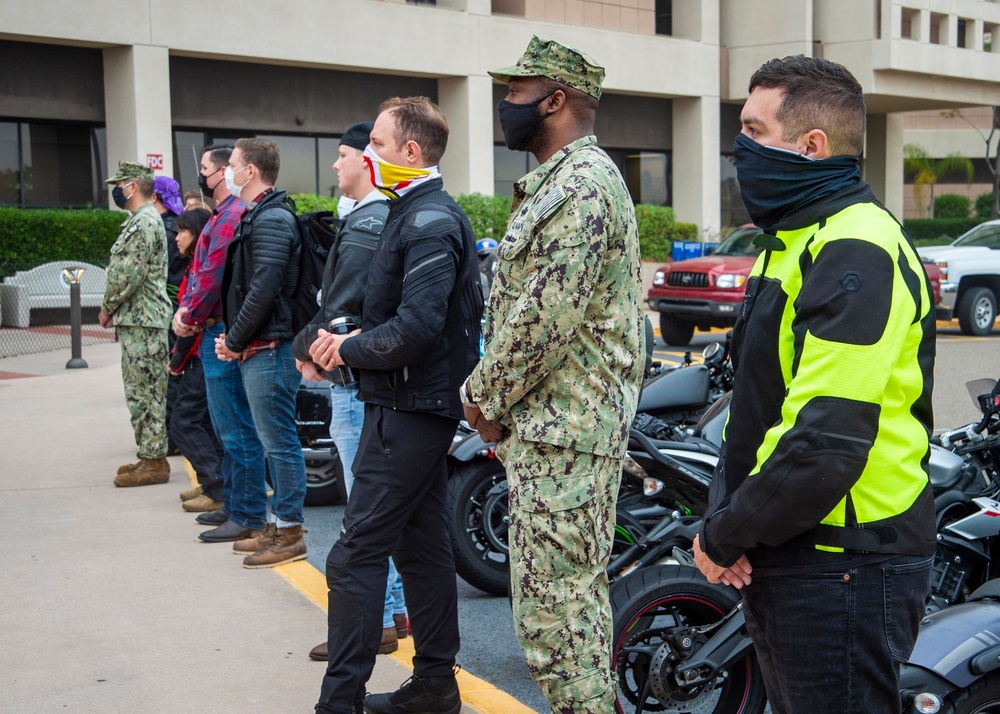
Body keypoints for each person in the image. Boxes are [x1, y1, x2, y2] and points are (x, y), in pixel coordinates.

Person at [692, 55, 937, 714]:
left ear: (810, 146)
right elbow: (755, 406)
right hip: (792, 547)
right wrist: (728, 521)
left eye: (752, 128)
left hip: (846, 561)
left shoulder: (855, 249)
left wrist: (724, 537)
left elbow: (822, 441)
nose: (738, 148)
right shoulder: (794, 241)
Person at [462, 36, 645, 713]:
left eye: (516, 94)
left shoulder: (581, 186)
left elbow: (543, 320)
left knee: (556, 626)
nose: (507, 106)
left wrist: (480, 396)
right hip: (555, 431)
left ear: (556, 100)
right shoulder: (561, 183)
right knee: (568, 614)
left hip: (565, 435)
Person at [309, 97, 482, 714]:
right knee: (421, 549)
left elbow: (416, 328)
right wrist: (349, 336)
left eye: (376, 145)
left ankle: (341, 703)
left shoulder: (429, 221)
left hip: (409, 411)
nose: (364, 155)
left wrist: (349, 345)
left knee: (354, 554)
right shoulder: (411, 214)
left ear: (412, 153)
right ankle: (435, 686)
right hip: (410, 406)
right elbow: (397, 317)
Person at [290, 121, 408, 661]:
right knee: (381, 505)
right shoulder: (371, 218)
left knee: (364, 510)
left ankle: (377, 621)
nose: (335, 164)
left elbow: (339, 306)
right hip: (361, 382)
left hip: (356, 385)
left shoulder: (367, 222)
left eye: (343, 154)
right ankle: (397, 611)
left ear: (367, 160)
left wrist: (305, 350)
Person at [213, 137, 308, 569]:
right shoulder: (261, 214)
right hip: (260, 346)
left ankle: (289, 531)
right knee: (274, 444)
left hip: (270, 349)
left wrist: (234, 340)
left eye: (231, 164)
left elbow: (265, 288)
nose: (226, 172)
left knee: (280, 444)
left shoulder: (271, 219)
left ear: (250, 171)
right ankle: (279, 523)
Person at [172, 145, 265, 536]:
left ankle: (246, 514)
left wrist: (189, 317)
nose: (203, 175)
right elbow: (200, 274)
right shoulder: (221, 215)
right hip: (210, 327)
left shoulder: (229, 215)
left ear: (226, 171)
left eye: (206, 169)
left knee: (235, 428)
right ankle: (234, 506)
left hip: (217, 328)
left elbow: (210, 277)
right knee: (227, 427)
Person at [101, 161, 173, 487]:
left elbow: (127, 275)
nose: (117, 190)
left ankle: (155, 461)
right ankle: (148, 456)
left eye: (120, 184)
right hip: (139, 320)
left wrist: (106, 307)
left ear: (132, 185)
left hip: (145, 321)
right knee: (139, 391)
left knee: (147, 394)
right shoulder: (141, 220)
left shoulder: (144, 222)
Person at [167, 207, 225, 513]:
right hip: (198, 356)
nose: (177, 238)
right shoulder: (193, 268)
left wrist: (176, 360)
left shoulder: (202, 273)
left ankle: (216, 487)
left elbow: (193, 322)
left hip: (204, 355)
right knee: (200, 420)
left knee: (184, 422)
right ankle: (214, 484)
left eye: (183, 231)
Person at [153, 175, 189, 457]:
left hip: (174, 314)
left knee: (172, 374)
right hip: (179, 310)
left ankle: (170, 436)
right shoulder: (178, 225)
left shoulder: (163, 230)